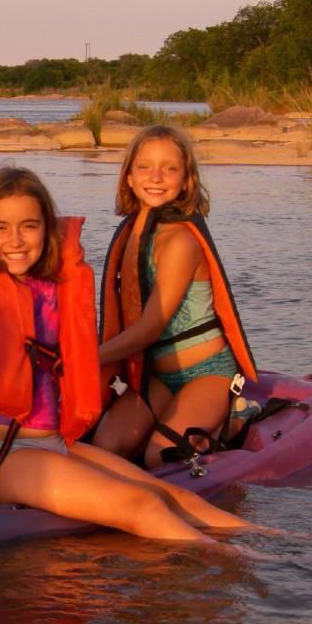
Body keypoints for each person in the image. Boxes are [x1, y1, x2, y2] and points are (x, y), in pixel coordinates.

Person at [0, 165, 259, 543]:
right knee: (139, 505)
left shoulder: (52, 287)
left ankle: (279, 542)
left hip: (55, 443)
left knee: (169, 495)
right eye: (0, 227)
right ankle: (245, 566)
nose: (15, 239)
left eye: (29, 225)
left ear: (47, 228)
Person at [94, 125, 257, 469]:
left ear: (186, 180)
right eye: (144, 167)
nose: (156, 176)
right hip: (156, 375)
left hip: (206, 371)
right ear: (128, 178)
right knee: (103, 448)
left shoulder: (181, 241)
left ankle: (235, 416)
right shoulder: (133, 232)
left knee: (160, 455)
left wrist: (86, 359)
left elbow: (150, 329)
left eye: (169, 168)